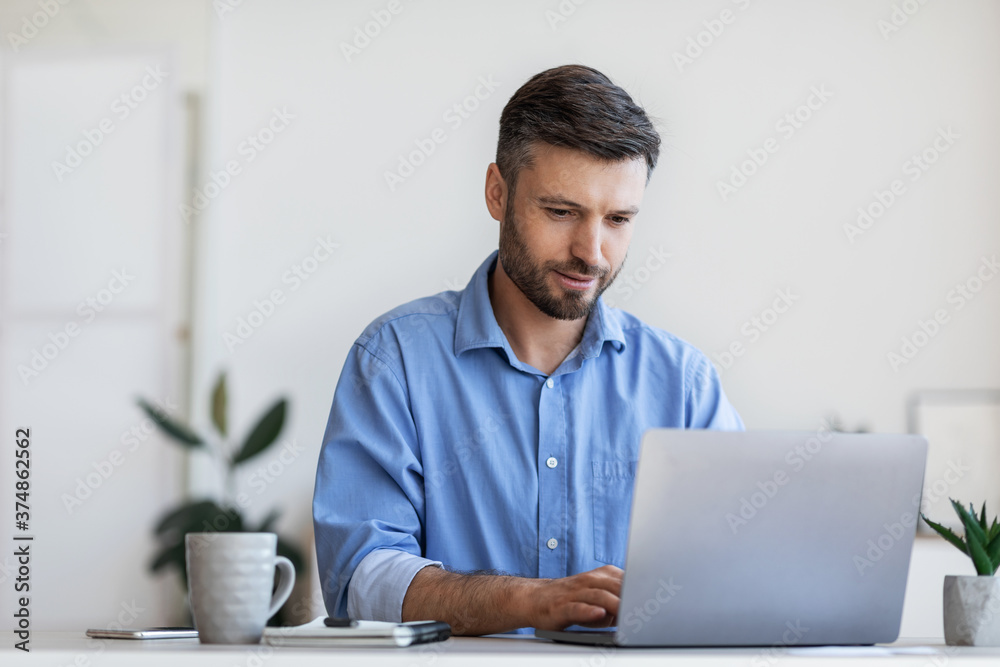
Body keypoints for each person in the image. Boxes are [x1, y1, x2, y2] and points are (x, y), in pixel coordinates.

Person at [313, 64, 743, 636]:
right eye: (561, 212)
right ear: (498, 192)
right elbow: (360, 581)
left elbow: (739, 570)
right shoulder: (394, 361)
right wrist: (528, 602)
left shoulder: (684, 385)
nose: (591, 252)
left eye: (617, 219)